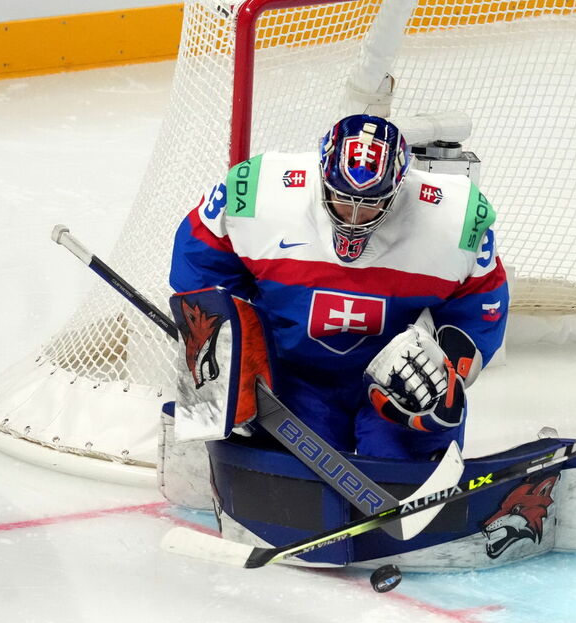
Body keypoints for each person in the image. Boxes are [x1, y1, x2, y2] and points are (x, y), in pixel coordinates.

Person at [170, 114, 508, 461]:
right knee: (281, 468)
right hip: (292, 373)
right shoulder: (256, 189)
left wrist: (447, 363)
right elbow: (200, 261)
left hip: (397, 379)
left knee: (409, 451)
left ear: (399, 187)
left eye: (372, 202)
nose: (354, 216)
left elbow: (483, 306)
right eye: (343, 198)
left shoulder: (458, 218)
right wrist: (228, 349)